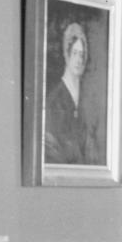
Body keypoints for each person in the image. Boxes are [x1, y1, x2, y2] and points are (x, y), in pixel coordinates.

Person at [44, 19, 102, 165]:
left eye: (82, 55)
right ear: (66, 53)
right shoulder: (54, 100)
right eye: (75, 53)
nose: (78, 60)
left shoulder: (85, 97)